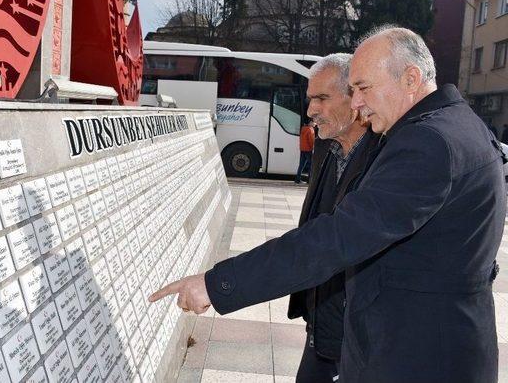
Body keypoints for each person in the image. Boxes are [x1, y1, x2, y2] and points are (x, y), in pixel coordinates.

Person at [149, 26, 505, 383]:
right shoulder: (458, 125)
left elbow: (336, 238)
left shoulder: (428, 142)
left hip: (420, 358)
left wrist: (217, 284)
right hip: (433, 346)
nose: (356, 104)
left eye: (363, 88)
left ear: (411, 79)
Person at [289, 53, 380, 383]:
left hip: (356, 339)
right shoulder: (327, 147)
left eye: (322, 98)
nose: (311, 109)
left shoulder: (385, 159)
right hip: (320, 326)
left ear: (356, 100)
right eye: (311, 98)